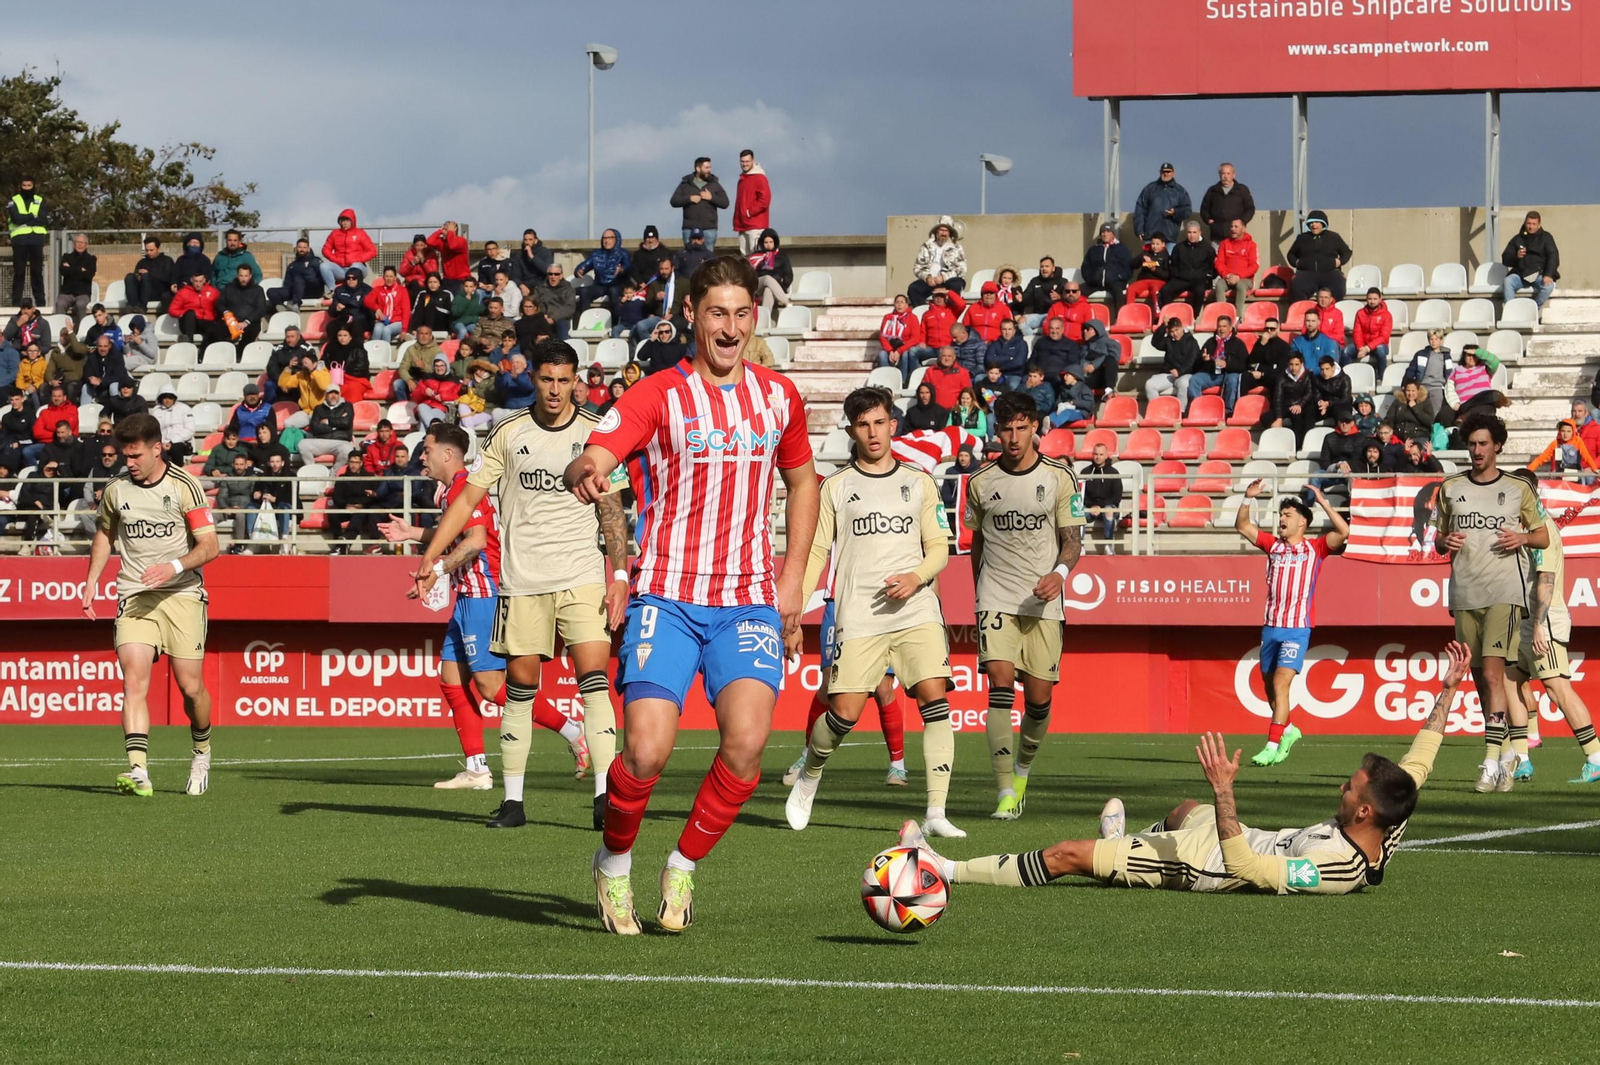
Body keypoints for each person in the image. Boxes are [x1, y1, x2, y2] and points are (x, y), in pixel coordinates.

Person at [562, 255, 819, 936]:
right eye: (716, 313)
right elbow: (597, 452)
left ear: (754, 319)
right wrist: (584, 469)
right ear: (691, 317)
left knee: (747, 743)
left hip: (746, 602)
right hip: (667, 596)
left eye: (740, 313)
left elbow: (804, 482)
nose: (729, 327)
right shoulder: (659, 395)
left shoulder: (779, 397)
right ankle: (614, 864)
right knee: (645, 751)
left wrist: (792, 578)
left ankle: (682, 863)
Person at [899, 638, 1472, 897]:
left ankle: (942, 869)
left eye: (1349, 788)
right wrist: (1448, 689)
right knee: (1182, 809)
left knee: (1067, 855)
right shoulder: (1392, 818)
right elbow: (1422, 757)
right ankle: (1124, 847)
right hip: (1238, 835)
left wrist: (1226, 793)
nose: (1340, 787)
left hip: (1209, 862)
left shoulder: (1335, 869)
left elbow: (1248, 868)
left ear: (1365, 808)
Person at [423, 341, 632, 830]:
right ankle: (514, 803)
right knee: (517, 690)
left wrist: (618, 575)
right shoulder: (507, 433)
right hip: (521, 582)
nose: (555, 390)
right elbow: (465, 500)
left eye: (564, 380)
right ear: (533, 380)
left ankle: (604, 796)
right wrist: (431, 557)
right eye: (546, 380)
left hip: (581, 576)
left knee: (594, 683)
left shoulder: (598, 433)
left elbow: (612, 511)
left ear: (575, 380)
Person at [786, 386, 957, 833]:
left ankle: (936, 812)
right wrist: (794, 613)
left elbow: (940, 547)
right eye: (863, 424)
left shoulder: (919, 482)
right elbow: (816, 552)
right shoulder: (836, 488)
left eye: (880, 422)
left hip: (917, 609)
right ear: (851, 430)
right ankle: (810, 774)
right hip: (859, 614)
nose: (873, 432)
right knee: (842, 712)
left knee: (934, 698)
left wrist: (917, 576)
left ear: (893, 425)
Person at [81, 414, 218, 797]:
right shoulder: (116, 490)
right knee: (133, 680)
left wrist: (172, 566)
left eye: (136, 455)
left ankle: (202, 750)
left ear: (158, 448)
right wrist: (91, 581)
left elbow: (210, 546)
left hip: (182, 595)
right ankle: (139, 770)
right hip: (135, 595)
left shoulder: (185, 486)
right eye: (126, 456)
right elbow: (106, 534)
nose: (130, 463)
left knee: (191, 689)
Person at [964, 391, 1084, 820]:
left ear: (1035, 427)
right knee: (999, 686)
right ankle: (1003, 793)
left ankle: (1022, 773)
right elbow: (976, 541)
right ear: (997, 430)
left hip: (1043, 600)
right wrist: (979, 592)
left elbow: (1073, 540)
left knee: (1038, 699)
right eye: (1006, 429)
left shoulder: (1059, 477)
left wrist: (1060, 574)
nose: (1013, 437)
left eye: (1021, 428)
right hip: (995, 596)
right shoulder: (979, 482)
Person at [379, 424, 512, 786]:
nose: (422, 456)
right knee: (451, 680)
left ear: (448, 454)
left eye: (427, 449)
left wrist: (436, 568)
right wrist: (413, 533)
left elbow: (475, 541)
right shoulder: (450, 490)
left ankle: (573, 730)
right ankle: (476, 768)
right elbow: (452, 536)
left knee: (489, 686)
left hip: (483, 593)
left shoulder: (463, 487)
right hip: (467, 595)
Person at [1434, 412, 1549, 793]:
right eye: (1472, 444)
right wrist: (1442, 543)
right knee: (1482, 679)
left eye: (1484, 443)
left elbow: (1543, 536)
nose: (1477, 450)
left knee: (1493, 674)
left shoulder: (1518, 487)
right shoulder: (1450, 487)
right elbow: (1438, 538)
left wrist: (1522, 539)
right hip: (1464, 592)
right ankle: (1504, 757)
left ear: (1497, 446)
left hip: (1505, 591)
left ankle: (1488, 761)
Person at [1234, 481, 1348, 765]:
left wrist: (1321, 501)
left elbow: (1344, 531)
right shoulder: (1273, 546)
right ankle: (1289, 730)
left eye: (1287, 515)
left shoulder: (1316, 549)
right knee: (1270, 688)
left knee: (1282, 683)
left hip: (1297, 629)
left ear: (1302, 523)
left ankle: (1272, 745)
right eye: (1281, 515)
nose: (1282, 519)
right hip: (1271, 627)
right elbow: (1243, 526)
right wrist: (1247, 499)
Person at [1503, 488, 1600, 784]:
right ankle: (1521, 759)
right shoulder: (1529, 527)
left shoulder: (1540, 530)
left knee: (1557, 688)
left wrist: (1541, 624)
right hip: (1526, 618)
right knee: (1511, 679)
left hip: (1543, 620)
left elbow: (1546, 578)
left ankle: (1595, 757)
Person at [1287, 210, 1352, 302]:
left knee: (1338, 286)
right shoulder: (1302, 238)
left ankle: (1331, 312)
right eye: (1311, 222)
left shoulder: (1333, 237)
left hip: (1329, 272)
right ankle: (1302, 312)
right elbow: (1291, 254)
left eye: (1317, 222)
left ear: (1323, 224)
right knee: (1296, 286)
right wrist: (1297, 263)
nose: (1314, 225)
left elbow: (1347, 252)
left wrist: (1339, 262)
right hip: (1306, 273)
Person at [1500, 210, 1559, 307]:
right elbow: (1505, 259)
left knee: (1548, 287)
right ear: (1525, 223)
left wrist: (1548, 274)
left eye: (1533, 224)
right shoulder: (1517, 239)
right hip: (1520, 275)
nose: (1530, 226)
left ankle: (1532, 309)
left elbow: (1553, 256)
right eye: (1528, 223)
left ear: (1539, 225)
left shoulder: (1546, 238)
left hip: (1539, 275)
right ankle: (1511, 312)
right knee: (1508, 281)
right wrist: (1516, 256)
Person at [670, 157, 731, 249]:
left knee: (709, 261)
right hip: (689, 229)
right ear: (698, 169)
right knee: (689, 258)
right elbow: (674, 201)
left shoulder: (714, 184)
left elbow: (725, 203)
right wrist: (689, 199)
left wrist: (711, 197)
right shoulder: (685, 184)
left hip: (709, 229)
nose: (709, 170)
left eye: (710, 167)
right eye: (706, 168)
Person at [7, 175, 48, 306]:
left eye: (29, 186)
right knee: (19, 272)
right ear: (20, 186)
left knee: (36, 272)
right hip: (20, 240)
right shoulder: (14, 200)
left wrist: (25, 218)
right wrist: (32, 216)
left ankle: (41, 303)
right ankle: (15, 303)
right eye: (24, 186)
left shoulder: (39, 199)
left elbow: (43, 219)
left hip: (36, 239)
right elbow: (15, 219)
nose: (26, 188)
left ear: (34, 186)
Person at [908, 216, 967, 306]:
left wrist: (944, 277)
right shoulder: (926, 246)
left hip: (949, 281)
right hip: (930, 282)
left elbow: (962, 269)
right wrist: (927, 278)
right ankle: (922, 314)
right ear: (936, 231)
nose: (943, 233)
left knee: (955, 285)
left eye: (946, 230)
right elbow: (917, 267)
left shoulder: (957, 248)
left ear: (950, 233)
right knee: (913, 288)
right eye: (941, 230)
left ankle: (951, 313)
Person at [1158, 221, 1215, 313]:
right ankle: (1168, 317)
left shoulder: (1208, 249)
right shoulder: (1179, 248)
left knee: (1200, 291)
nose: (1191, 235)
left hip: (1199, 280)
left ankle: (1193, 318)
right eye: (1189, 232)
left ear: (1200, 232)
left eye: (1194, 232)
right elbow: (1172, 267)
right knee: (1165, 290)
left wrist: (1205, 276)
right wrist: (1180, 275)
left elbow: (1212, 269)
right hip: (1182, 279)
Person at [574, 228, 632, 317]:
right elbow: (585, 265)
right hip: (600, 285)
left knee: (614, 292)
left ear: (616, 239)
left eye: (610, 238)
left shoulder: (623, 253)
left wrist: (621, 270)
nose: (607, 241)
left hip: (617, 284)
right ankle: (585, 320)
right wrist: (579, 271)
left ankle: (615, 322)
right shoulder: (596, 253)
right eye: (604, 238)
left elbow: (628, 266)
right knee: (585, 291)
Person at [294, 384, 355, 468]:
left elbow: (346, 422)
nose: (333, 396)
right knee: (302, 444)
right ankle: (313, 471)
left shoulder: (347, 406)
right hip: (321, 440)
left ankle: (333, 474)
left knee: (348, 449)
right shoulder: (318, 408)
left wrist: (327, 421)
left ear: (340, 395)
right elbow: (315, 428)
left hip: (340, 441)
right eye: (331, 393)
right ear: (326, 395)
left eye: (336, 393)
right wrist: (337, 425)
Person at [1145, 315, 1199, 409]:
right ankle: (1157, 411)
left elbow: (1192, 361)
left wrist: (1180, 371)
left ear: (1182, 328)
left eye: (1177, 330)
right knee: (1150, 384)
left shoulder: (1192, 342)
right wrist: (1163, 326)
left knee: (1184, 383)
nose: (1175, 334)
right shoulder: (1168, 341)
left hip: (1185, 373)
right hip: (1168, 373)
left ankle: (1181, 412)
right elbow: (1155, 343)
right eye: (1172, 331)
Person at [1132, 162, 1191, 244]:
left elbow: (1187, 210)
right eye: (1164, 172)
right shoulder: (1150, 188)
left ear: (1173, 173)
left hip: (1170, 236)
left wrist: (1175, 212)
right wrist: (1139, 229)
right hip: (1151, 237)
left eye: (1168, 172)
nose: (1166, 174)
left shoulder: (1180, 191)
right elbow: (1140, 209)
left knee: (1170, 257)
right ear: (1160, 172)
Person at [216, 264, 268, 358]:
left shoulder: (257, 290)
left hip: (250, 323)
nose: (243, 279)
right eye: (241, 275)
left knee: (250, 334)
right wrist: (226, 313)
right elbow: (220, 304)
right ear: (237, 275)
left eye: (246, 276)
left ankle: (239, 356)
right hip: (230, 321)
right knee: (215, 330)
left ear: (250, 276)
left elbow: (261, 309)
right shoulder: (229, 288)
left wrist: (246, 322)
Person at [245, 451, 294, 546]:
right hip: (265, 506)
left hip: (281, 505)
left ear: (282, 463)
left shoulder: (291, 476)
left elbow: (291, 496)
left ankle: (284, 539)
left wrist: (275, 499)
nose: (275, 464)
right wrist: (258, 495)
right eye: (272, 462)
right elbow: (256, 492)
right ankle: (252, 540)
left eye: (277, 461)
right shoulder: (263, 476)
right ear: (268, 463)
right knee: (250, 507)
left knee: (284, 508)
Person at [1079, 223, 1133, 310]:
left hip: (1114, 282)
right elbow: (1085, 266)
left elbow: (1129, 267)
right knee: (1075, 291)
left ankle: (1118, 319)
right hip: (1095, 282)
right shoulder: (1093, 249)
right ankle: (1080, 314)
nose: (1105, 234)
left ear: (1113, 234)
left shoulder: (1122, 249)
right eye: (1103, 232)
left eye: (1108, 231)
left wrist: (1120, 277)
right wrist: (1090, 278)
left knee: (1119, 293)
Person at [1200, 162, 1256, 243]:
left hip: (1237, 237)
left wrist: (1242, 221)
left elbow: (1250, 208)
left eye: (1228, 173)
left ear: (1234, 174)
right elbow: (1204, 208)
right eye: (1223, 173)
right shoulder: (1213, 191)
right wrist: (1208, 220)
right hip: (1217, 236)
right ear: (1219, 175)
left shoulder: (1242, 190)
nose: (1225, 176)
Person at [1526, 419, 1599, 482]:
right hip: (1560, 477)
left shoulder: (1578, 442)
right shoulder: (1555, 443)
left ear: (1573, 432)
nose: (1565, 434)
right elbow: (1541, 458)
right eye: (1563, 431)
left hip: (1575, 476)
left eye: (1568, 431)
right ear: (1559, 432)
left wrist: (1594, 468)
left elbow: (1586, 456)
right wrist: (1529, 470)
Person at [1080, 442, 1121, 552]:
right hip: (1090, 508)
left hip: (1107, 508)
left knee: (1109, 510)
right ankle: (1080, 545)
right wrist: (1092, 506)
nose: (1098, 457)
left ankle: (1108, 544)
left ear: (1106, 455)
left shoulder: (1113, 473)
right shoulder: (1085, 472)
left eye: (1101, 454)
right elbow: (1081, 494)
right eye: (1096, 454)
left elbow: (1116, 497)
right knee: (1079, 511)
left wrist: (1100, 506)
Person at [321, 209, 376, 289]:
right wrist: (336, 259)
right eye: (342, 221)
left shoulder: (360, 233)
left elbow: (372, 251)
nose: (345, 223)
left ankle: (355, 291)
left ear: (352, 221)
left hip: (358, 267)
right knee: (324, 266)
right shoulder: (335, 233)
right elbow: (325, 249)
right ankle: (332, 290)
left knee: (355, 266)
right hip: (340, 269)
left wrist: (358, 259)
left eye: (347, 220)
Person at [1211, 219, 1258, 314]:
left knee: (1240, 285)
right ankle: (1223, 316)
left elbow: (1254, 266)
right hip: (1227, 278)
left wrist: (1239, 276)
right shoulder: (1224, 244)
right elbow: (1219, 262)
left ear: (1243, 229)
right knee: (1219, 285)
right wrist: (1226, 275)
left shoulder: (1251, 245)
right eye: (1231, 226)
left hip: (1245, 279)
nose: (1233, 229)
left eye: (1236, 227)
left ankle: (1238, 317)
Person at [877, 294, 926, 385]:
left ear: (907, 305)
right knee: (882, 355)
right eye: (897, 302)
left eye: (902, 302)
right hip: (891, 347)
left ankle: (903, 382)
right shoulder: (888, 318)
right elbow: (882, 336)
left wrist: (899, 351)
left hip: (905, 346)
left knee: (905, 355)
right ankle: (887, 381)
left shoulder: (912, 318)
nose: (899, 305)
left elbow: (915, 338)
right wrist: (890, 351)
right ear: (894, 305)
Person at [1271, 353, 1316, 445]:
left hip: (1303, 406)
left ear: (1302, 364)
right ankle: (1277, 443)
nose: (1293, 368)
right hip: (1287, 405)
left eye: (1296, 364)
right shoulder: (1281, 377)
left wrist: (1300, 404)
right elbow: (1278, 397)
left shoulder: (1308, 375)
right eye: (1291, 364)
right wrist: (1279, 417)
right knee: (1266, 418)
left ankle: (1299, 444)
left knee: (1299, 417)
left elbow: (1310, 393)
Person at [268, 238, 325, 310]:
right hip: (295, 291)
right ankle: (281, 308)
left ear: (308, 249)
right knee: (271, 291)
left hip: (311, 290)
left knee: (298, 278)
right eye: (300, 247)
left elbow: (321, 278)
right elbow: (287, 283)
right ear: (296, 248)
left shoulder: (316, 261)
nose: (302, 249)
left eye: (304, 247)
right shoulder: (292, 265)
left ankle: (296, 304)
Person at [320, 324, 371, 403]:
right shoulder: (331, 347)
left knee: (353, 388)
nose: (342, 338)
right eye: (340, 335)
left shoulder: (358, 348)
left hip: (354, 379)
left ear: (350, 336)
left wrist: (344, 372)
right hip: (333, 378)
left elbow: (362, 367)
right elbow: (323, 362)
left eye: (345, 335)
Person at [733, 149, 771, 255]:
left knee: (757, 256)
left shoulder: (759, 177)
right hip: (743, 225)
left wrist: (750, 212)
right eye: (742, 161)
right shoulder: (742, 179)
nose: (744, 164)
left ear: (753, 160)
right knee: (745, 260)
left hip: (755, 225)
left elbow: (765, 200)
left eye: (747, 161)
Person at [748, 229, 792, 316]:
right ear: (762, 243)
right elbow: (750, 273)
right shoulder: (756, 256)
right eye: (766, 242)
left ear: (775, 242)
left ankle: (764, 319)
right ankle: (786, 302)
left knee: (768, 290)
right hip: (758, 285)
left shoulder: (782, 256)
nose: (768, 244)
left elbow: (789, 275)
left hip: (776, 287)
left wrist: (783, 285)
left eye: (771, 242)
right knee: (767, 278)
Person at [169, 273, 222, 345]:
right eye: (196, 281)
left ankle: (202, 353)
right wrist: (186, 313)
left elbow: (220, 306)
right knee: (190, 313)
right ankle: (189, 344)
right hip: (188, 322)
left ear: (204, 280)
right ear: (191, 280)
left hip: (206, 322)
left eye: (200, 281)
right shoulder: (183, 292)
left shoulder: (213, 291)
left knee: (211, 328)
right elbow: (172, 310)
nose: (198, 284)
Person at [124, 238, 177, 310]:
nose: (149, 253)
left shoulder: (167, 260)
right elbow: (136, 274)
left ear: (158, 249)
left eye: (151, 250)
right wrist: (138, 277)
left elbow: (168, 278)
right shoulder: (142, 262)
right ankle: (132, 305)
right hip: (142, 290)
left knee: (146, 276)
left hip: (158, 291)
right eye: (147, 250)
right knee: (129, 277)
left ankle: (142, 306)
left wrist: (149, 274)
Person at [1348, 288, 1391, 375]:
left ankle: (1381, 377)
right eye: (1370, 299)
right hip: (1362, 345)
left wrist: (1367, 348)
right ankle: (1349, 375)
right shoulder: (1360, 313)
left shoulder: (1386, 315)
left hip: (1379, 345)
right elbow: (1357, 332)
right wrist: (1360, 348)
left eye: (1375, 299)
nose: (1372, 302)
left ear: (1380, 299)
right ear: (1366, 299)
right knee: (1346, 352)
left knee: (1380, 351)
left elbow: (1383, 337)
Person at [1020, 256, 1068, 332]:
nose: (1044, 269)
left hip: (1053, 315)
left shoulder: (1062, 281)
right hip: (1037, 314)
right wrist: (1021, 298)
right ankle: (1032, 338)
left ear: (1053, 268)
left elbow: (1070, 298)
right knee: (1021, 321)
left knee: (1048, 324)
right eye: (1042, 266)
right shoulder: (1035, 281)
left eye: (1047, 266)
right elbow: (1026, 295)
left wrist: (1060, 296)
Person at [1124, 234, 1170, 312]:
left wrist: (1154, 269)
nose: (1154, 246)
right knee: (1131, 289)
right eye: (1153, 244)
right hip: (1144, 280)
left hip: (1158, 281)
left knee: (1156, 291)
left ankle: (1158, 315)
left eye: (1157, 244)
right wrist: (1141, 258)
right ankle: (1130, 312)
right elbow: (1133, 265)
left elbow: (1167, 275)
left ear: (1163, 244)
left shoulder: (1166, 257)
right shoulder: (1146, 253)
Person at [56, 233, 97, 321]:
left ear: (86, 245)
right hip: (67, 293)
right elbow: (63, 271)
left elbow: (89, 276)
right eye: (78, 242)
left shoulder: (91, 259)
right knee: (60, 303)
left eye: (82, 242)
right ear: (74, 244)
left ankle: (81, 329)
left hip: (83, 293)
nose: (80, 244)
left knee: (81, 305)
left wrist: (71, 268)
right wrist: (81, 270)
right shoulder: (66, 256)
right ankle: (60, 328)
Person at [364, 266, 411, 342]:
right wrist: (377, 309)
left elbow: (406, 310)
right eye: (386, 276)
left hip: (397, 321)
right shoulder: (378, 289)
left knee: (386, 330)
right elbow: (367, 300)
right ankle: (373, 352)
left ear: (395, 278)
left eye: (391, 276)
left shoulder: (402, 290)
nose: (389, 279)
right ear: (383, 277)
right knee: (377, 329)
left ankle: (385, 352)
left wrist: (404, 330)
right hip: (383, 320)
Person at [426, 221, 471, 294]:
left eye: (447, 229)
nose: (445, 231)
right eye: (444, 229)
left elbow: (452, 246)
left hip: (461, 280)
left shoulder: (462, 241)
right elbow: (429, 241)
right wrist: (440, 231)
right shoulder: (442, 243)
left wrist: (450, 232)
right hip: (447, 280)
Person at [534, 263, 578, 339]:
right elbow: (536, 303)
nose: (553, 277)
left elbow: (569, 308)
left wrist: (553, 318)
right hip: (542, 318)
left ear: (561, 276)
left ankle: (563, 348)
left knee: (562, 324)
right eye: (550, 274)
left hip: (560, 319)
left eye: (556, 274)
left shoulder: (568, 289)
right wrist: (542, 314)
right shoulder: (539, 288)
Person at [985, 317, 1028, 390]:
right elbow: (989, 360)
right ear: (1000, 330)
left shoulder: (1022, 344)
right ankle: (992, 401)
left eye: (1009, 329)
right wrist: (1008, 358)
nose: (1007, 332)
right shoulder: (994, 344)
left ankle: (1006, 401)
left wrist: (999, 366)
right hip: (995, 374)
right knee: (979, 380)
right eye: (1004, 329)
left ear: (1014, 331)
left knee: (1012, 386)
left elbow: (1018, 363)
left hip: (1014, 375)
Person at [328, 268, 374, 337]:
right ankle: (336, 347)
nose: (350, 280)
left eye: (354, 278)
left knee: (357, 321)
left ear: (359, 279)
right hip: (344, 318)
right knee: (331, 326)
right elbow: (332, 312)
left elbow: (367, 307)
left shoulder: (367, 290)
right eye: (348, 278)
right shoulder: (339, 290)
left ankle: (357, 346)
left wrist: (347, 302)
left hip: (362, 319)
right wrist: (336, 308)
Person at [923, 346, 971, 411]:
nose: (947, 358)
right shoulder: (930, 371)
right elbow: (924, 391)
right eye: (944, 356)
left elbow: (967, 394)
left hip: (955, 411)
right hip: (934, 411)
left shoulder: (963, 373)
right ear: (940, 357)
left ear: (954, 357)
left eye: (949, 356)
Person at [1311, 356, 1351, 426]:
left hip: (1340, 405)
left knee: (1339, 412)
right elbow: (1316, 396)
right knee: (1309, 411)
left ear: (1333, 368)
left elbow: (1346, 399)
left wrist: (1329, 403)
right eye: (1322, 369)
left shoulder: (1344, 378)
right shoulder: (1317, 379)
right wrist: (1321, 404)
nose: (1324, 372)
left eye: (1327, 369)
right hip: (1324, 406)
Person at [450, 277, 483, 341]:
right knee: (462, 331)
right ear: (463, 287)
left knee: (476, 330)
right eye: (466, 286)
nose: (468, 289)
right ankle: (458, 348)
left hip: (470, 322)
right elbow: (455, 313)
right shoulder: (458, 297)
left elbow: (477, 310)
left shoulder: (476, 297)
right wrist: (466, 300)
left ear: (474, 287)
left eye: (471, 286)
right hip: (458, 322)